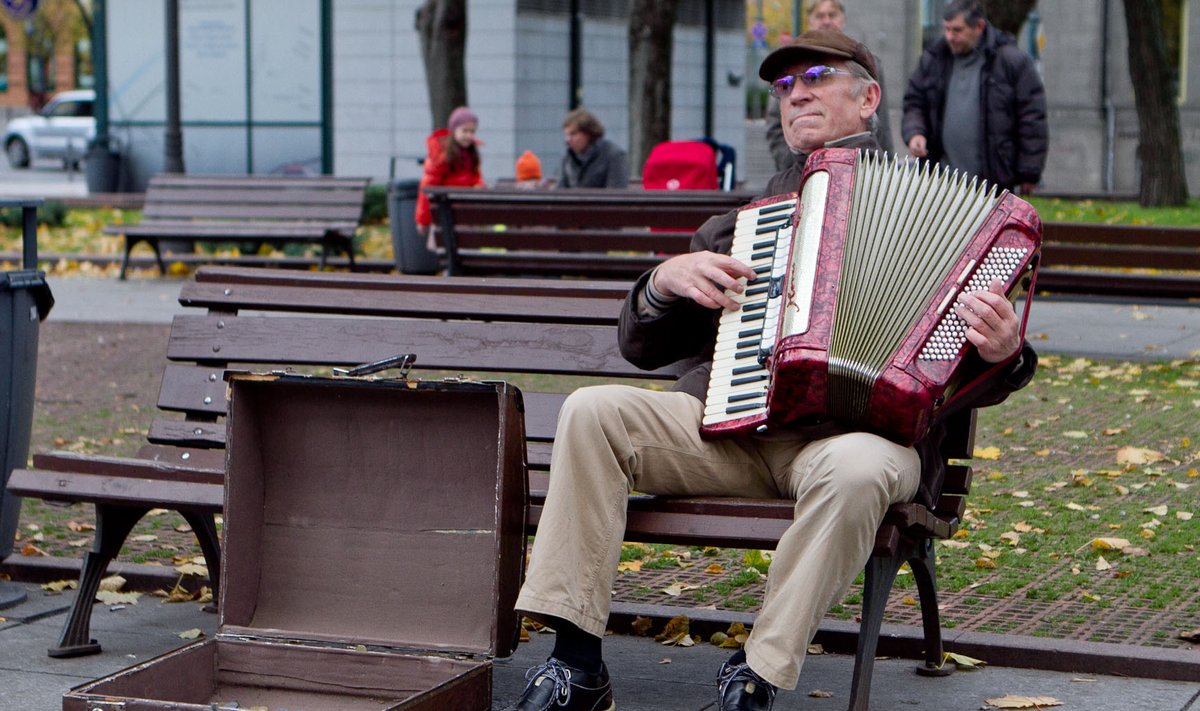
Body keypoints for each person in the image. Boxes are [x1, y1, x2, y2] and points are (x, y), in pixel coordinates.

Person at [506, 28, 1037, 711]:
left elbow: (988, 369)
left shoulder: (959, 223)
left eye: (817, 76)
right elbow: (640, 347)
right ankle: (576, 665)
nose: (797, 93)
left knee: (856, 469)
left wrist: (1005, 353)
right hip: (733, 432)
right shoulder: (740, 226)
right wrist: (663, 282)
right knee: (593, 411)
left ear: (868, 97)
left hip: (856, 443)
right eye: (783, 86)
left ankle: (753, 676)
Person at [901, 0, 1048, 195]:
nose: (949, 37)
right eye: (946, 29)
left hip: (993, 181)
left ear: (979, 27)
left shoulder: (1012, 63)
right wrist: (915, 133)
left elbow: (1031, 119)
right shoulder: (934, 59)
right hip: (939, 181)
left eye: (957, 30)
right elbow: (914, 102)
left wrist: (1029, 172)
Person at [765, 0, 894, 171]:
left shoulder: (868, 64)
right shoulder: (788, 66)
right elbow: (775, 123)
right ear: (810, 21)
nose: (796, 95)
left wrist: (885, 167)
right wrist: (794, 167)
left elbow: (882, 121)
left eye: (818, 76)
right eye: (819, 16)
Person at [414, 106, 485, 238]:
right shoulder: (441, 157)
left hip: (464, 213)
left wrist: (479, 186)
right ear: (453, 131)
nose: (469, 136)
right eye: (464, 131)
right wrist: (423, 220)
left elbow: (477, 177)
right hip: (445, 214)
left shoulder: (472, 154)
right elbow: (427, 188)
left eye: (472, 132)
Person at [557, 108, 629, 188]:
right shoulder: (568, 157)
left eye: (573, 134)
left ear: (588, 133)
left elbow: (616, 193)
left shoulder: (614, 155)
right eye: (566, 135)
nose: (568, 140)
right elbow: (561, 190)